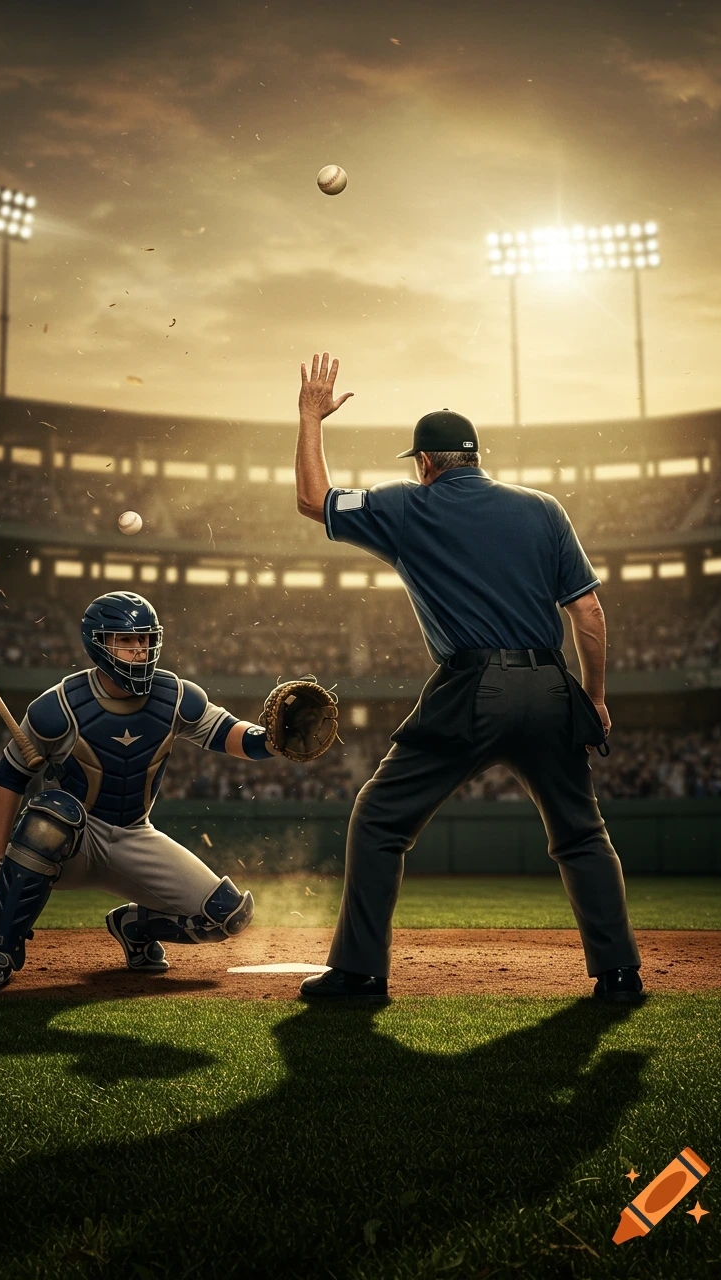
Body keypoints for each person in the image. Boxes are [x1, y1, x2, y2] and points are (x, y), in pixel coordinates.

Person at [293, 352, 643, 1004]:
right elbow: (589, 613)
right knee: (581, 833)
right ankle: (620, 974)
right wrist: (593, 698)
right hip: (551, 686)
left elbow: (314, 499)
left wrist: (311, 417)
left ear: (426, 463)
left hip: (471, 688)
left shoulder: (408, 506)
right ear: (475, 458)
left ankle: (361, 972)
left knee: (379, 820)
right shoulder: (543, 509)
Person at [0, 591, 282, 991]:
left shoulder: (177, 696)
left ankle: (135, 927)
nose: (139, 649)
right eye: (126, 640)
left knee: (225, 916)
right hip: (70, 842)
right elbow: (8, 777)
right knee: (53, 812)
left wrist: (274, 739)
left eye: (145, 639)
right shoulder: (57, 707)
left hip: (135, 835)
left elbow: (234, 735)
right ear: (98, 644)